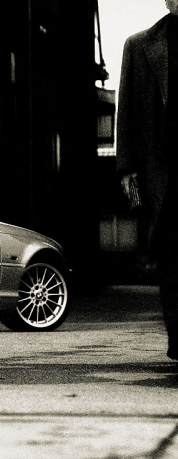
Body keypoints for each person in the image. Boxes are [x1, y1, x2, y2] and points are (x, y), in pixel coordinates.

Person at [117, 0, 178, 361]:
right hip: (164, 173)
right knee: (171, 257)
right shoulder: (139, 45)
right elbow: (125, 111)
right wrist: (126, 168)